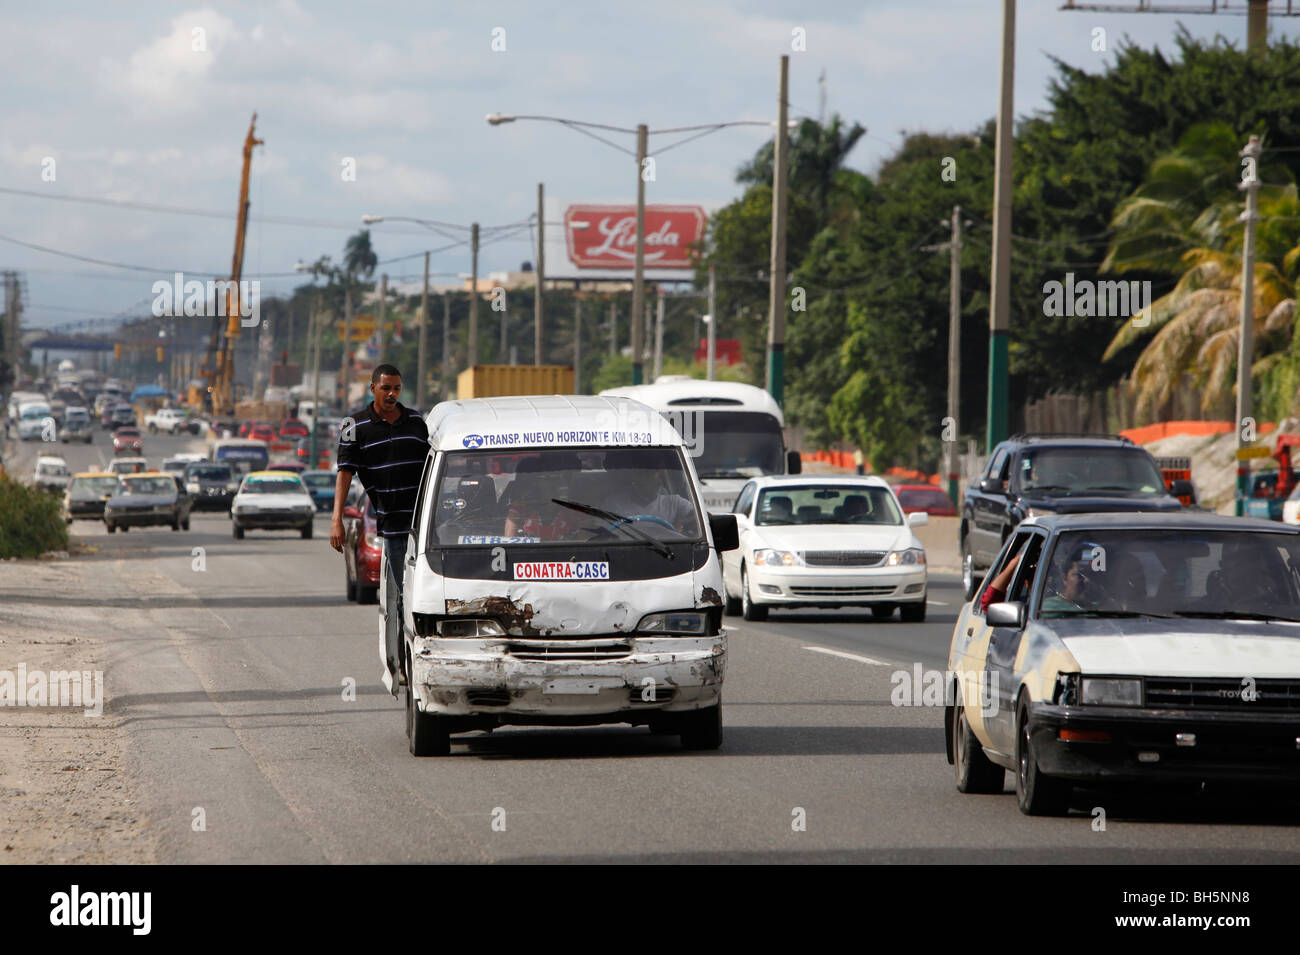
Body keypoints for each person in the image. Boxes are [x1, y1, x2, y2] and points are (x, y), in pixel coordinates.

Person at [330, 364, 429, 682]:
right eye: (386, 388)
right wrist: (337, 519)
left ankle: (423, 653)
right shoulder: (353, 425)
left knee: (425, 596)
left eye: (397, 388)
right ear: (372, 388)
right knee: (403, 596)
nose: (391, 394)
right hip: (394, 527)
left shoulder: (415, 421)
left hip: (424, 525)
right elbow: (344, 473)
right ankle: (404, 662)